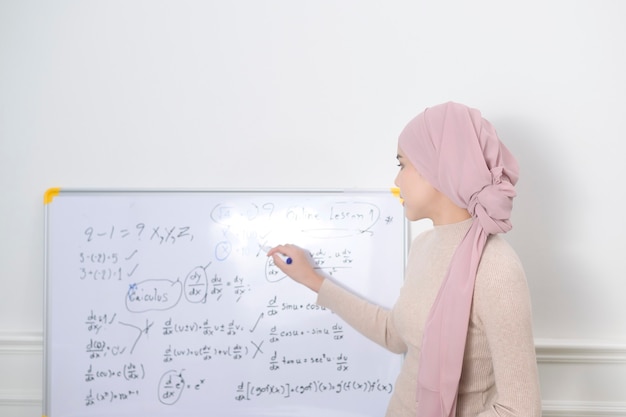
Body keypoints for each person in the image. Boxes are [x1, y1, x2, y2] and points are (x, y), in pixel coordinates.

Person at [267, 101, 541, 417]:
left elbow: (519, 409)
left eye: (402, 164)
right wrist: (312, 280)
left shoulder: (497, 269)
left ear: (438, 167)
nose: (397, 181)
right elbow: (395, 335)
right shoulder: (423, 246)